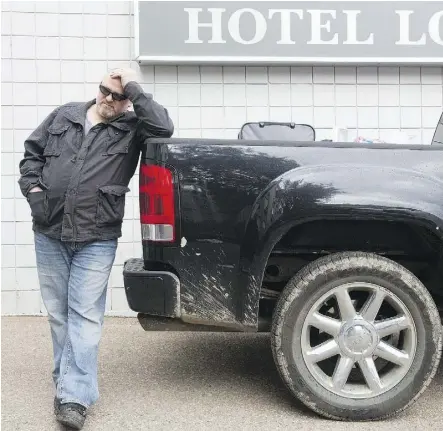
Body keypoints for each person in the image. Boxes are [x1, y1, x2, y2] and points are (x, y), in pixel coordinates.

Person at [17, 68, 174, 430]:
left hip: (96, 235)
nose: (108, 99)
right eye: (106, 90)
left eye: (119, 95)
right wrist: (35, 193)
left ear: (128, 99)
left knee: (85, 315)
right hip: (49, 231)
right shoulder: (64, 115)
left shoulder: (133, 126)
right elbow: (31, 157)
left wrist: (133, 88)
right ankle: (67, 379)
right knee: (59, 313)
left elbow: (164, 128)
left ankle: (74, 397)